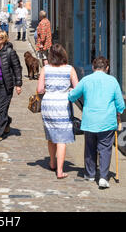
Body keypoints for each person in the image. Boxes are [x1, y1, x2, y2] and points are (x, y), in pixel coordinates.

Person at [68, 56, 125, 189]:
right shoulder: (112, 81)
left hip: (90, 121)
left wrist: (70, 92)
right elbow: (120, 104)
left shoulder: (86, 80)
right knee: (105, 149)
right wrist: (119, 112)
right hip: (107, 121)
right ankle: (104, 177)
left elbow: (73, 96)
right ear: (107, 68)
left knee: (90, 147)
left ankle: (90, 174)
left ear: (93, 67)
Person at [37, 43, 79, 179]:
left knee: (51, 135)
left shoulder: (45, 69)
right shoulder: (70, 69)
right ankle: (60, 171)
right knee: (62, 139)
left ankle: (52, 162)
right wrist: (69, 90)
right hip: (63, 106)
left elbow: (40, 90)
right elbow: (77, 89)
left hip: (48, 105)